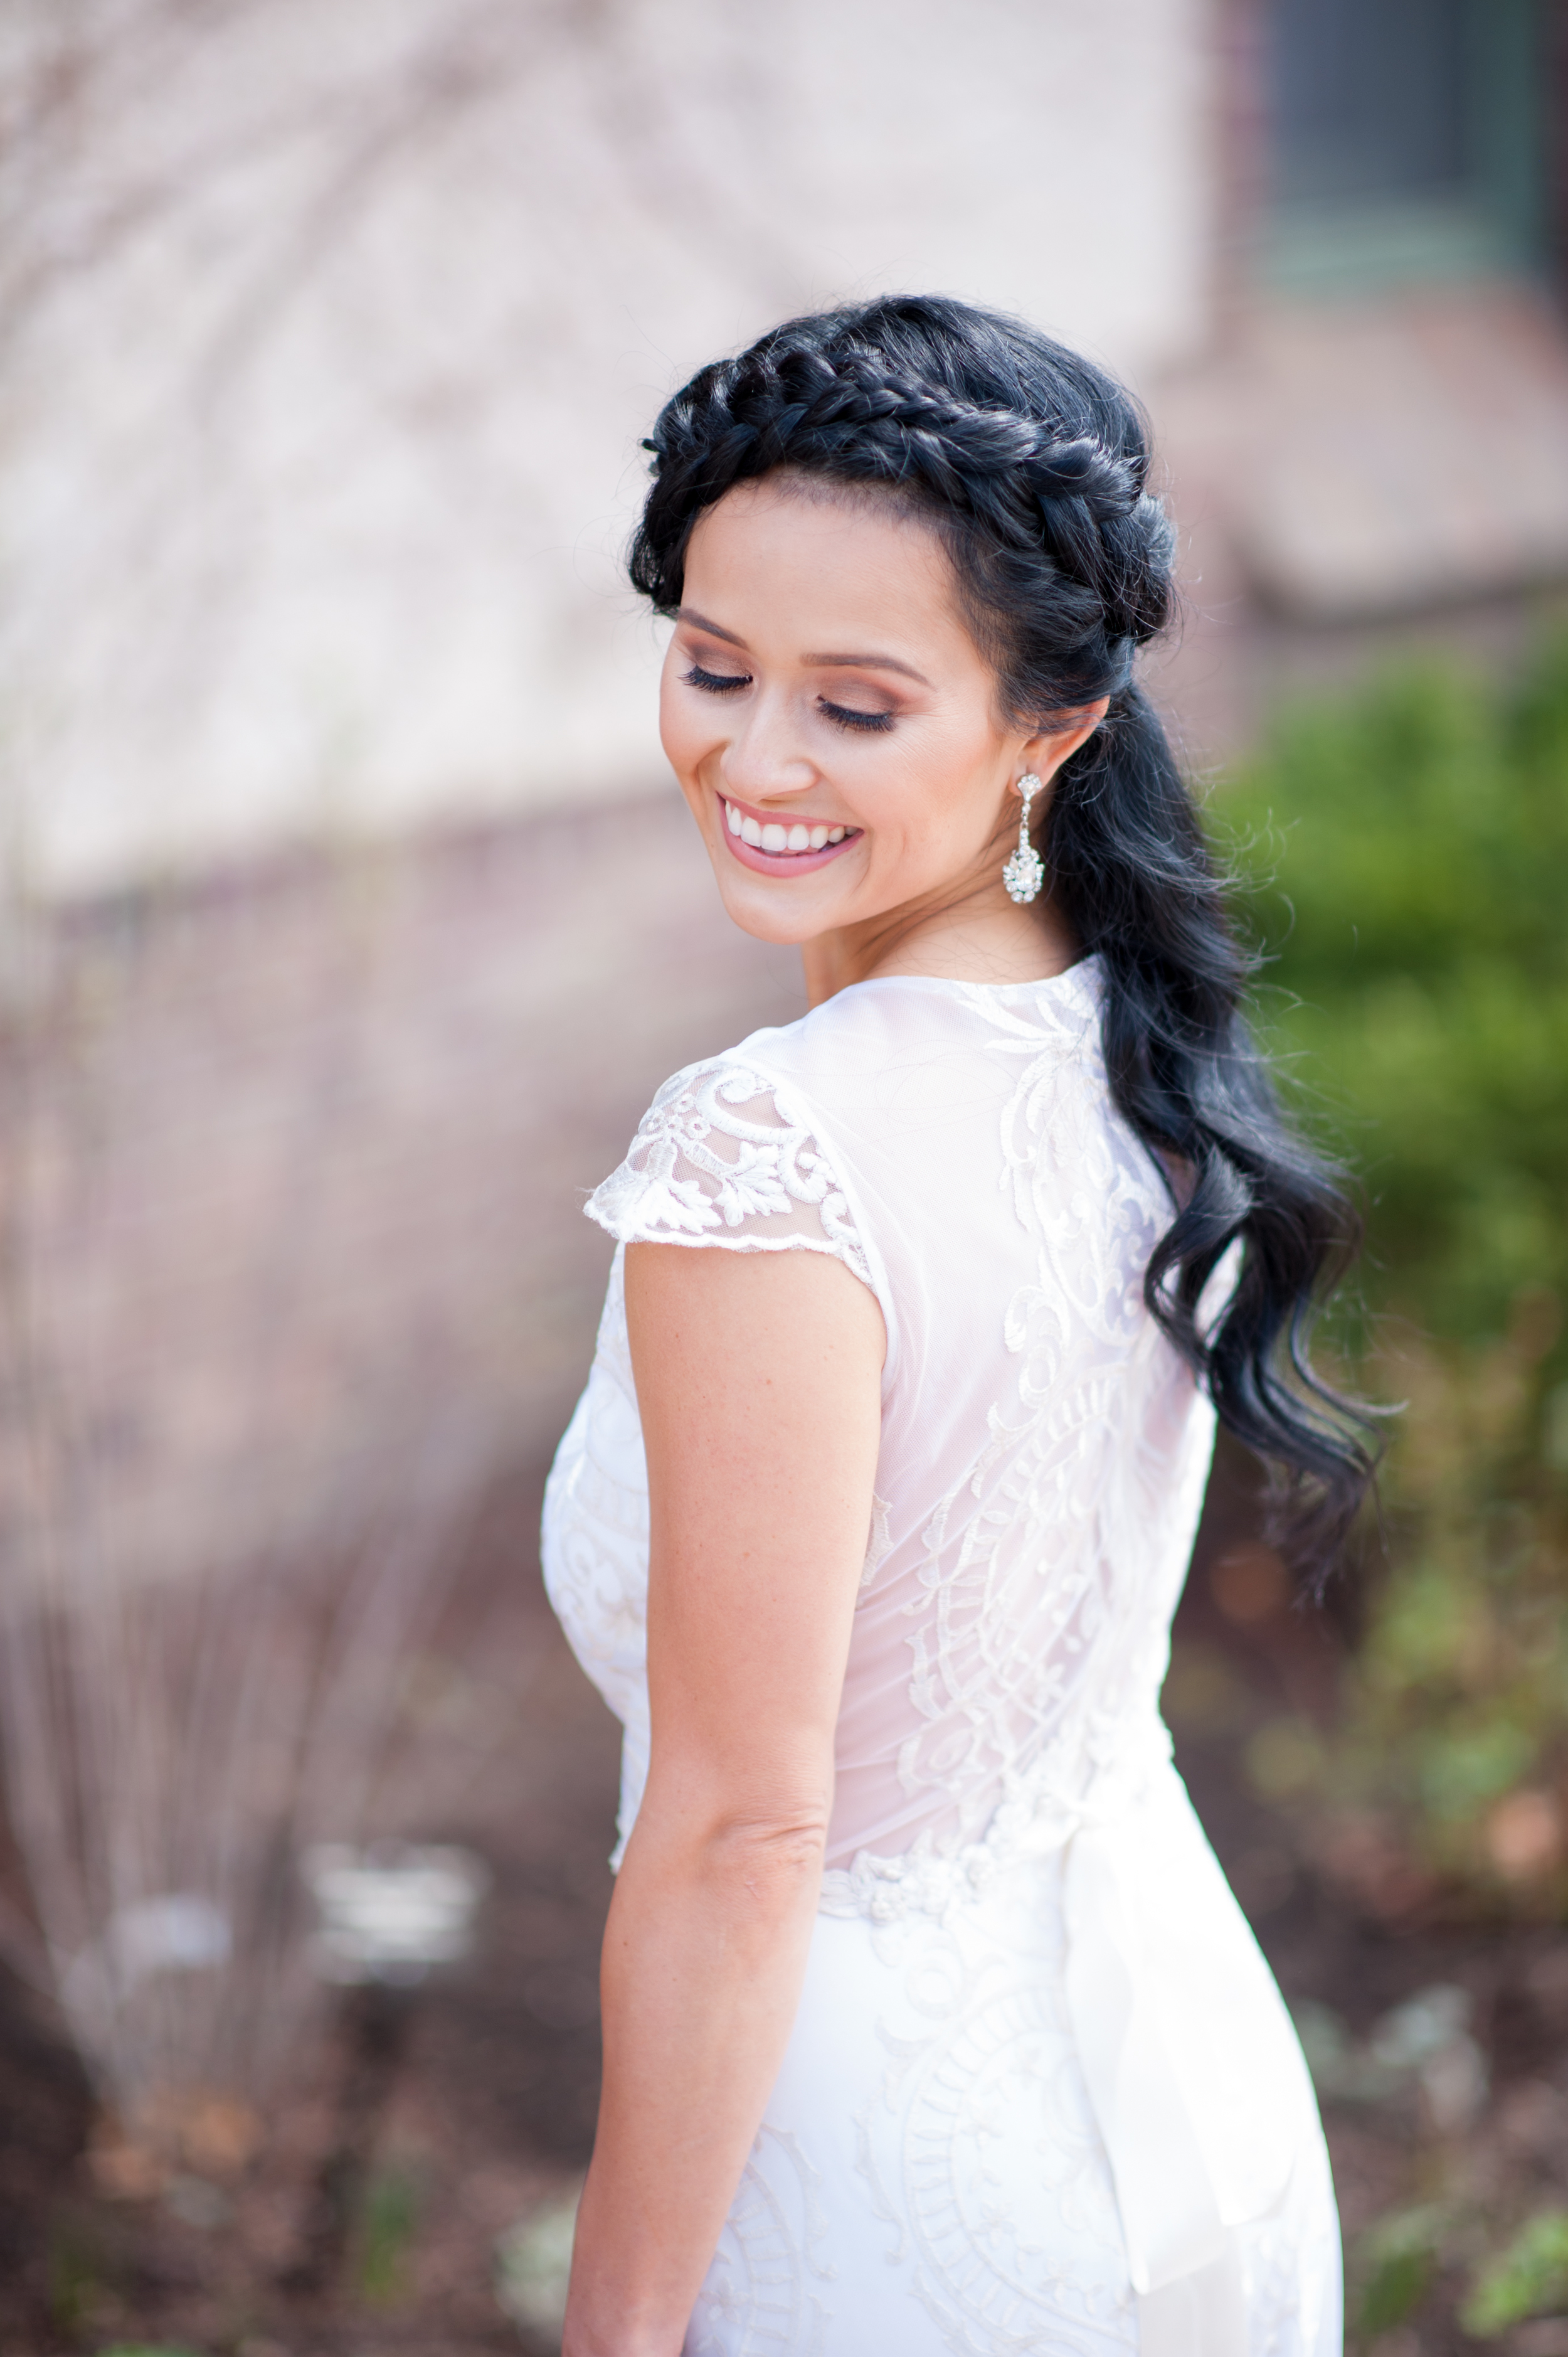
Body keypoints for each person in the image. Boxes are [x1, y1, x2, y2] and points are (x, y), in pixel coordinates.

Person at [541, 295, 1374, 2357]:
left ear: (1050, 727)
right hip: (1182, 2102)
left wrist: (614, 2332)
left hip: (876, 2207)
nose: (751, 757)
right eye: (714, 666)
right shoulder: (1138, 1054)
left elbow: (747, 1826)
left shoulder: (768, 1153)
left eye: (856, 703)